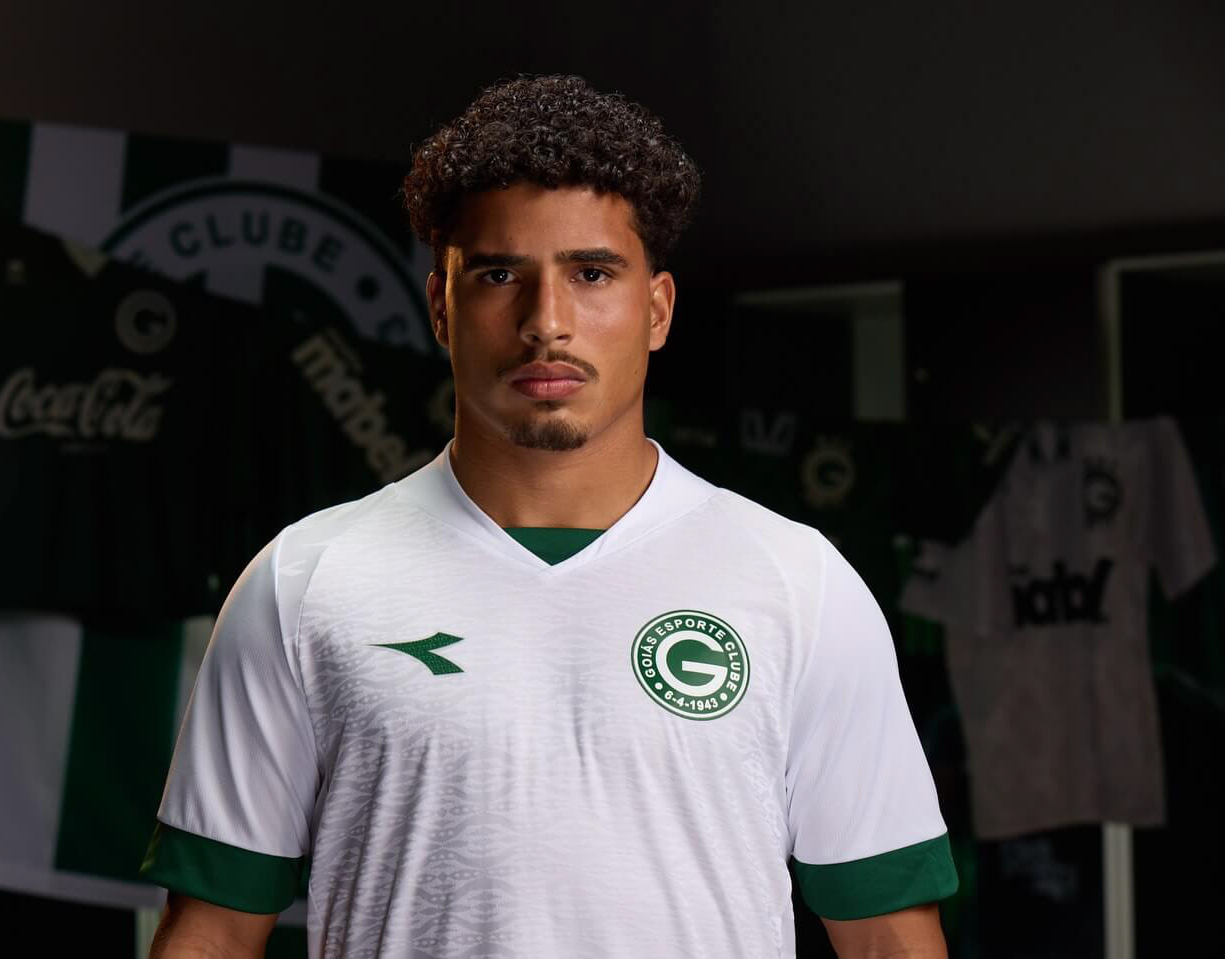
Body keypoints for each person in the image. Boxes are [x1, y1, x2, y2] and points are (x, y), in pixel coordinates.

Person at [142, 74, 958, 958]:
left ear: (656, 309)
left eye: (591, 273)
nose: (546, 322)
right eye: (499, 274)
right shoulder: (304, 581)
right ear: (441, 307)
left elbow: (886, 932)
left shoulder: (797, 581)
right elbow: (212, 933)